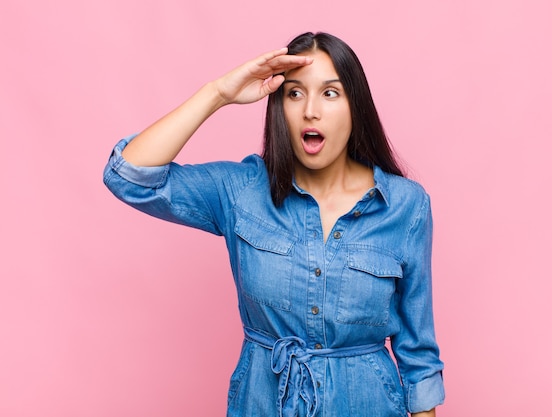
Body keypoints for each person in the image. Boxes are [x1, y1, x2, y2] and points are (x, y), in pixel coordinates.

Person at [104, 32, 444, 417]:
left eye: (330, 93)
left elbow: (418, 355)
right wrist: (218, 93)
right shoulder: (241, 191)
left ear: (356, 107)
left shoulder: (405, 205)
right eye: (294, 93)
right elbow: (128, 176)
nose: (310, 111)